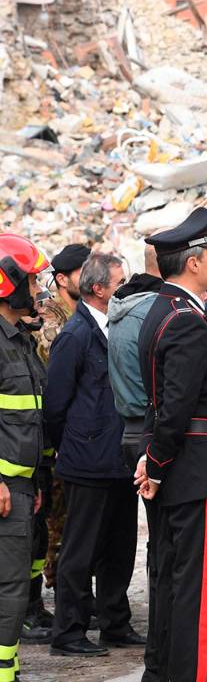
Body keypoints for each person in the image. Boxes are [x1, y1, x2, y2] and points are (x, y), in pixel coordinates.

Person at [107, 215, 207, 679]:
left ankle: (165, 671)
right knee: (201, 588)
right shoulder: (185, 319)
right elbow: (179, 405)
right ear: (194, 262)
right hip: (197, 470)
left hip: (183, 466)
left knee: (174, 580)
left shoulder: (166, 312)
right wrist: (156, 460)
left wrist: (155, 461)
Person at [44, 253, 143, 657]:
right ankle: (69, 631)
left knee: (119, 548)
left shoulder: (115, 329)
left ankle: (115, 623)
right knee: (79, 551)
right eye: (120, 282)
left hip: (119, 459)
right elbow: (55, 406)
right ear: (99, 289)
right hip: (88, 462)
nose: (126, 287)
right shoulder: (76, 335)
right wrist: (76, 442)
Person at [29, 243, 88, 640]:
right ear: (63, 279)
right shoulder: (51, 318)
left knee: (64, 527)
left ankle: (67, 599)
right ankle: (40, 603)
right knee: (48, 528)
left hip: (63, 441)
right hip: (45, 443)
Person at [0, 234, 50, 682]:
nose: (36, 290)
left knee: (12, 588)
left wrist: (29, 483)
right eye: (32, 280)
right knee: (8, 590)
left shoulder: (17, 339)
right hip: (2, 488)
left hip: (19, 486)